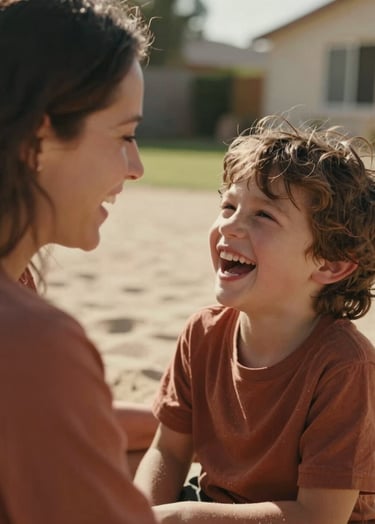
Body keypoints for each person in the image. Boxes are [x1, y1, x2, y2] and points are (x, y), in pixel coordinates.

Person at [134, 116, 375, 523]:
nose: (230, 223)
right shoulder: (202, 333)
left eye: (263, 216)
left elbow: (320, 516)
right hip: (216, 505)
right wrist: (139, 514)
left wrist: (183, 517)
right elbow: (168, 451)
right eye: (229, 205)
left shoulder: (345, 366)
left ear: (331, 265)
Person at [0, 0, 158, 522]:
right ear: (38, 140)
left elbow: (38, 417)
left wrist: (187, 426)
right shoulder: (30, 338)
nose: (135, 168)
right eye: (125, 135)